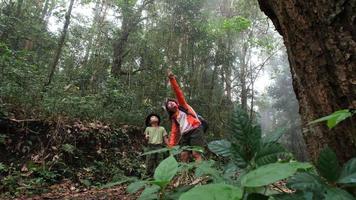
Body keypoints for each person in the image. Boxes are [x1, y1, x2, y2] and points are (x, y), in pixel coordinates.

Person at [165, 69, 205, 163]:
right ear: (169, 109)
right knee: (183, 155)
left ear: (175, 102)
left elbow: (178, 92)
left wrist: (172, 78)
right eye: (169, 105)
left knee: (196, 153)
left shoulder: (183, 106)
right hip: (185, 134)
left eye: (172, 102)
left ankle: (200, 176)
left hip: (195, 129)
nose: (171, 104)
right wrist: (171, 147)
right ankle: (184, 176)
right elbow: (174, 133)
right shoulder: (174, 118)